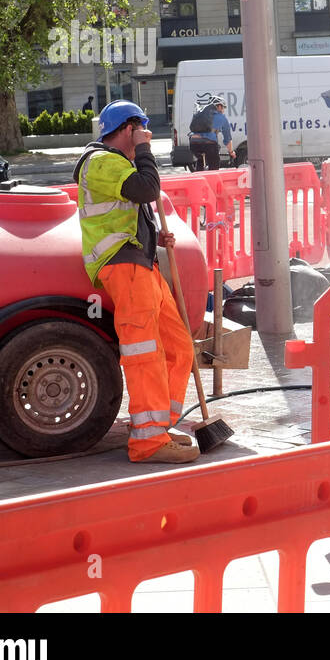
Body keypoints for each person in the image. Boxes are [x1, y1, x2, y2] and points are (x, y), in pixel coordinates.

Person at [73, 101, 198, 464]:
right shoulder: (100, 161)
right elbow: (147, 189)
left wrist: (153, 237)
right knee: (145, 354)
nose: (145, 137)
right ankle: (147, 443)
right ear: (128, 129)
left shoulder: (116, 164)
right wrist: (145, 151)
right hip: (123, 267)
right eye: (141, 131)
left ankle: (158, 426)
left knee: (178, 347)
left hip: (141, 262)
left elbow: (130, 208)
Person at [189, 95, 235, 172]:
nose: (223, 110)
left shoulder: (201, 114)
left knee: (200, 160)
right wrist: (231, 152)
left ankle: (199, 175)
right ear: (219, 106)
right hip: (209, 145)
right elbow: (227, 139)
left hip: (193, 143)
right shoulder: (222, 117)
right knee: (214, 165)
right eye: (223, 107)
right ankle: (212, 180)